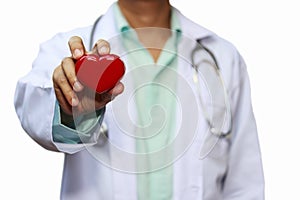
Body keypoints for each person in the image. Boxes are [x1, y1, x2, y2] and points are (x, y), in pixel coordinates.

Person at [14, 0, 265, 199]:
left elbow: (245, 183)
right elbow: (33, 108)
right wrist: (73, 108)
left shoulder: (222, 57)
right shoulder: (71, 50)